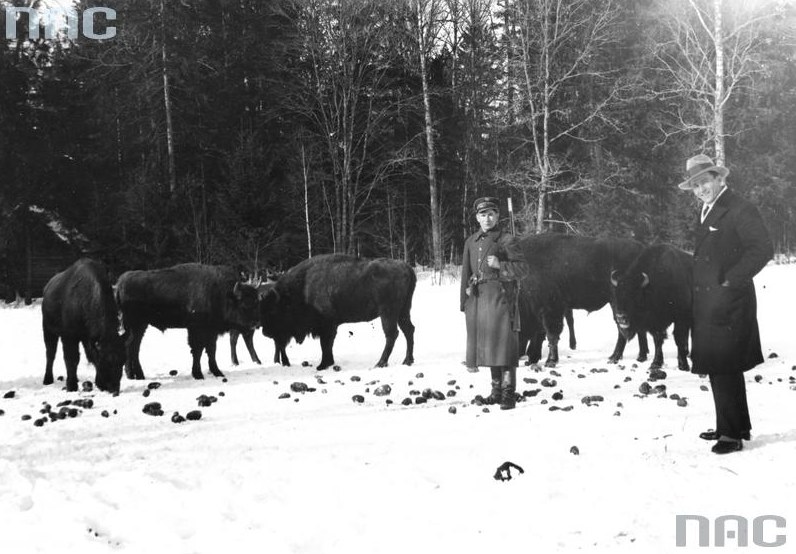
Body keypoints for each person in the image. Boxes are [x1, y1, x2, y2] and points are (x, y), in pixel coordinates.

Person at [677, 154, 773, 454]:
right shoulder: (707, 210)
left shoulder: (739, 208)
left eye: (705, 182)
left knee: (726, 365)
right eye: (695, 186)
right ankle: (731, 426)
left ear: (720, 178)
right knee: (718, 367)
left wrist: (731, 280)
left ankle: (732, 436)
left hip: (730, 301)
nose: (701, 189)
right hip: (709, 302)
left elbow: (762, 249)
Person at [460, 196, 526, 410]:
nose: (486, 218)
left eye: (490, 214)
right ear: (476, 218)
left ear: (497, 216)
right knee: (489, 346)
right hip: (479, 301)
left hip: (501, 298)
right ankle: (496, 391)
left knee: (504, 346)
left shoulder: (506, 240)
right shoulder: (471, 241)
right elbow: (465, 274)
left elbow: (524, 269)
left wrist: (501, 265)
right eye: (482, 214)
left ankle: (508, 393)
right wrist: (465, 303)